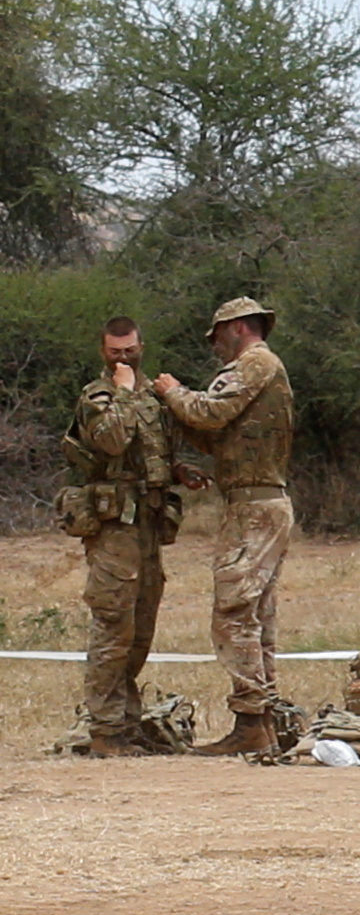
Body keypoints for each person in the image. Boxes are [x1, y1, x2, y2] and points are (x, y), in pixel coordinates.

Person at [150, 296, 297, 758]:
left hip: (254, 506)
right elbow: (216, 434)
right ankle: (263, 721)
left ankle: (252, 720)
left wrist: (172, 392)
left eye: (216, 336)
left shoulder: (255, 365)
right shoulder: (260, 371)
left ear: (237, 328)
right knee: (256, 617)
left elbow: (209, 414)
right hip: (257, 502)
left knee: (234, 614)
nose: (214, 346)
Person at [66, 315, 186, 758]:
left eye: (130, 350)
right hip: (114, 528)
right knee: (113, 625)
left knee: (141, 627)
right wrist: (122, 388)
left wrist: (178, 473)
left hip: (149, 522)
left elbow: (155, 451)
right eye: (115, 352)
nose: (124, 358)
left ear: (142, 346)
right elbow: (113, 443)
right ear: (104, 353)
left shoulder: (152, 396)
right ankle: (104, 729)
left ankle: (127, 721)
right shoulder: (99, 396)